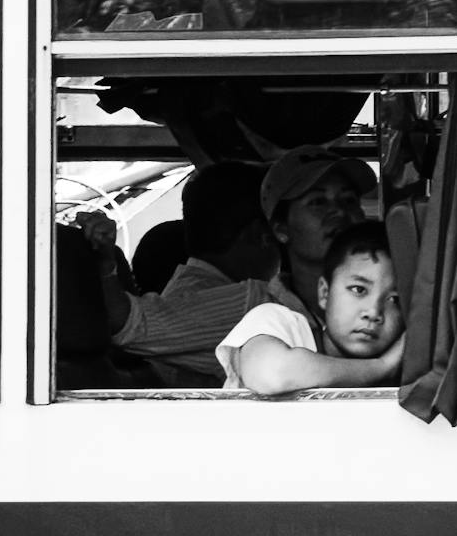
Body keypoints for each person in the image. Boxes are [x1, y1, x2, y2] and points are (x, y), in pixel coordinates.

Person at [80, 163, 280, 387]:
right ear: (261, 236)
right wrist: (106, 265)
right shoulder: (251, 303)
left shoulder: (193, 295)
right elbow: (130, 325)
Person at [217, 220, 406, 394]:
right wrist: (381, 367)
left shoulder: (408, 369)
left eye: (394, 300)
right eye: (358, 289)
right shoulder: (281, 324)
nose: (373, 312)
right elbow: (272, 374)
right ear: (325, 293)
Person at [261, 144, 375, 321]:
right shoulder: (262, 316)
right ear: (281, 229)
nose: (339, 211)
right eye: (318, 202)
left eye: (349, 200)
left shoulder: (399, 301)